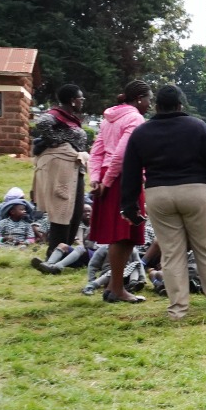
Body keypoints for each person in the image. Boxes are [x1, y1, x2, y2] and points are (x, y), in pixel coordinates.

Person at [119, 84, 206, 320]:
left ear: (157, 106)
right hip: (195, 191)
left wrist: (130, 205)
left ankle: (178, 309)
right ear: (180, 105)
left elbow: (130, 171)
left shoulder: (142, 132)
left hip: (158, 194)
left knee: (171, 254)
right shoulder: (197, 126)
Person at [87, 81, 153, 304]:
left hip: (108, 177)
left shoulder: (108, 119)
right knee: (123, 235)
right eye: (148, 99)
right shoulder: (135, 119)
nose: (150, 104)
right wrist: (105, 181)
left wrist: (95, 178)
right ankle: (116, 288)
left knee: (123, 236)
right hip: (123, 178)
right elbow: (121, 155)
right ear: (139, 99)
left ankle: (115, 286)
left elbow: (96, 152)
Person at [31, 84, 90, 262]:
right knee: (62, 209)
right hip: (62, 169)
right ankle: (54, 252)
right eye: (80, 98)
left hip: (75, 167)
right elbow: (42, 124)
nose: (82, 101)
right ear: (72, 101)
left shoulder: (69, 118)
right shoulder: (55, 115)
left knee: (77, 210)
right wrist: (59, 141)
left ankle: (65, 252)